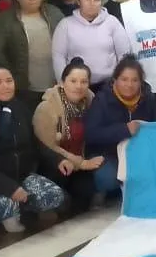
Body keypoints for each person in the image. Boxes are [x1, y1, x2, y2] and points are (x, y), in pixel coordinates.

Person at [0, 65, 66, 245]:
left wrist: (57, 159)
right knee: (4, 203)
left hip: (17, 176)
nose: (6, 86)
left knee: (52, 195)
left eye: (9, 81)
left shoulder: (19, 108)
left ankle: (11, 212)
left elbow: (34, 143)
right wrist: (9, 188)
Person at [32, 58, 103, 215]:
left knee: (85, 198)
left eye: (84, 81)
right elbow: (47, 147)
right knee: (61, 203)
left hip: (81, 163)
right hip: (54, 164)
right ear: (62, 82)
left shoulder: (91, 102)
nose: (79, 86)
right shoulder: (46, 108)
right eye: (73, 81)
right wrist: (80, 163)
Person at [85, 57, 156, 197]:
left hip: (139, 154)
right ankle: (105, 194)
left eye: (134, 80)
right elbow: (92, 134)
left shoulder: (149, 99)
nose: (129, 84)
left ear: (141, 82)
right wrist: (124, 130)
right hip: (109, 154)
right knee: (108, 178)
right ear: (115, 79)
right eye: (124, 79)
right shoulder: (102, 100)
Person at [0, 0, 64, 109]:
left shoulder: (54, 13)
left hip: (55, 83)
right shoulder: (6, 19)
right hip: (23, 86)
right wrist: (11, 78)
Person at [51, 0, 131, 92]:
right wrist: (63, 85)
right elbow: (58, 57)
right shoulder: (65, 25)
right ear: (78, 1)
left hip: (109, 86)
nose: (92, 3)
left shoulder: (112, 22)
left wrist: (121, 81)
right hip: (76, 87)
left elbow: (124, 54)